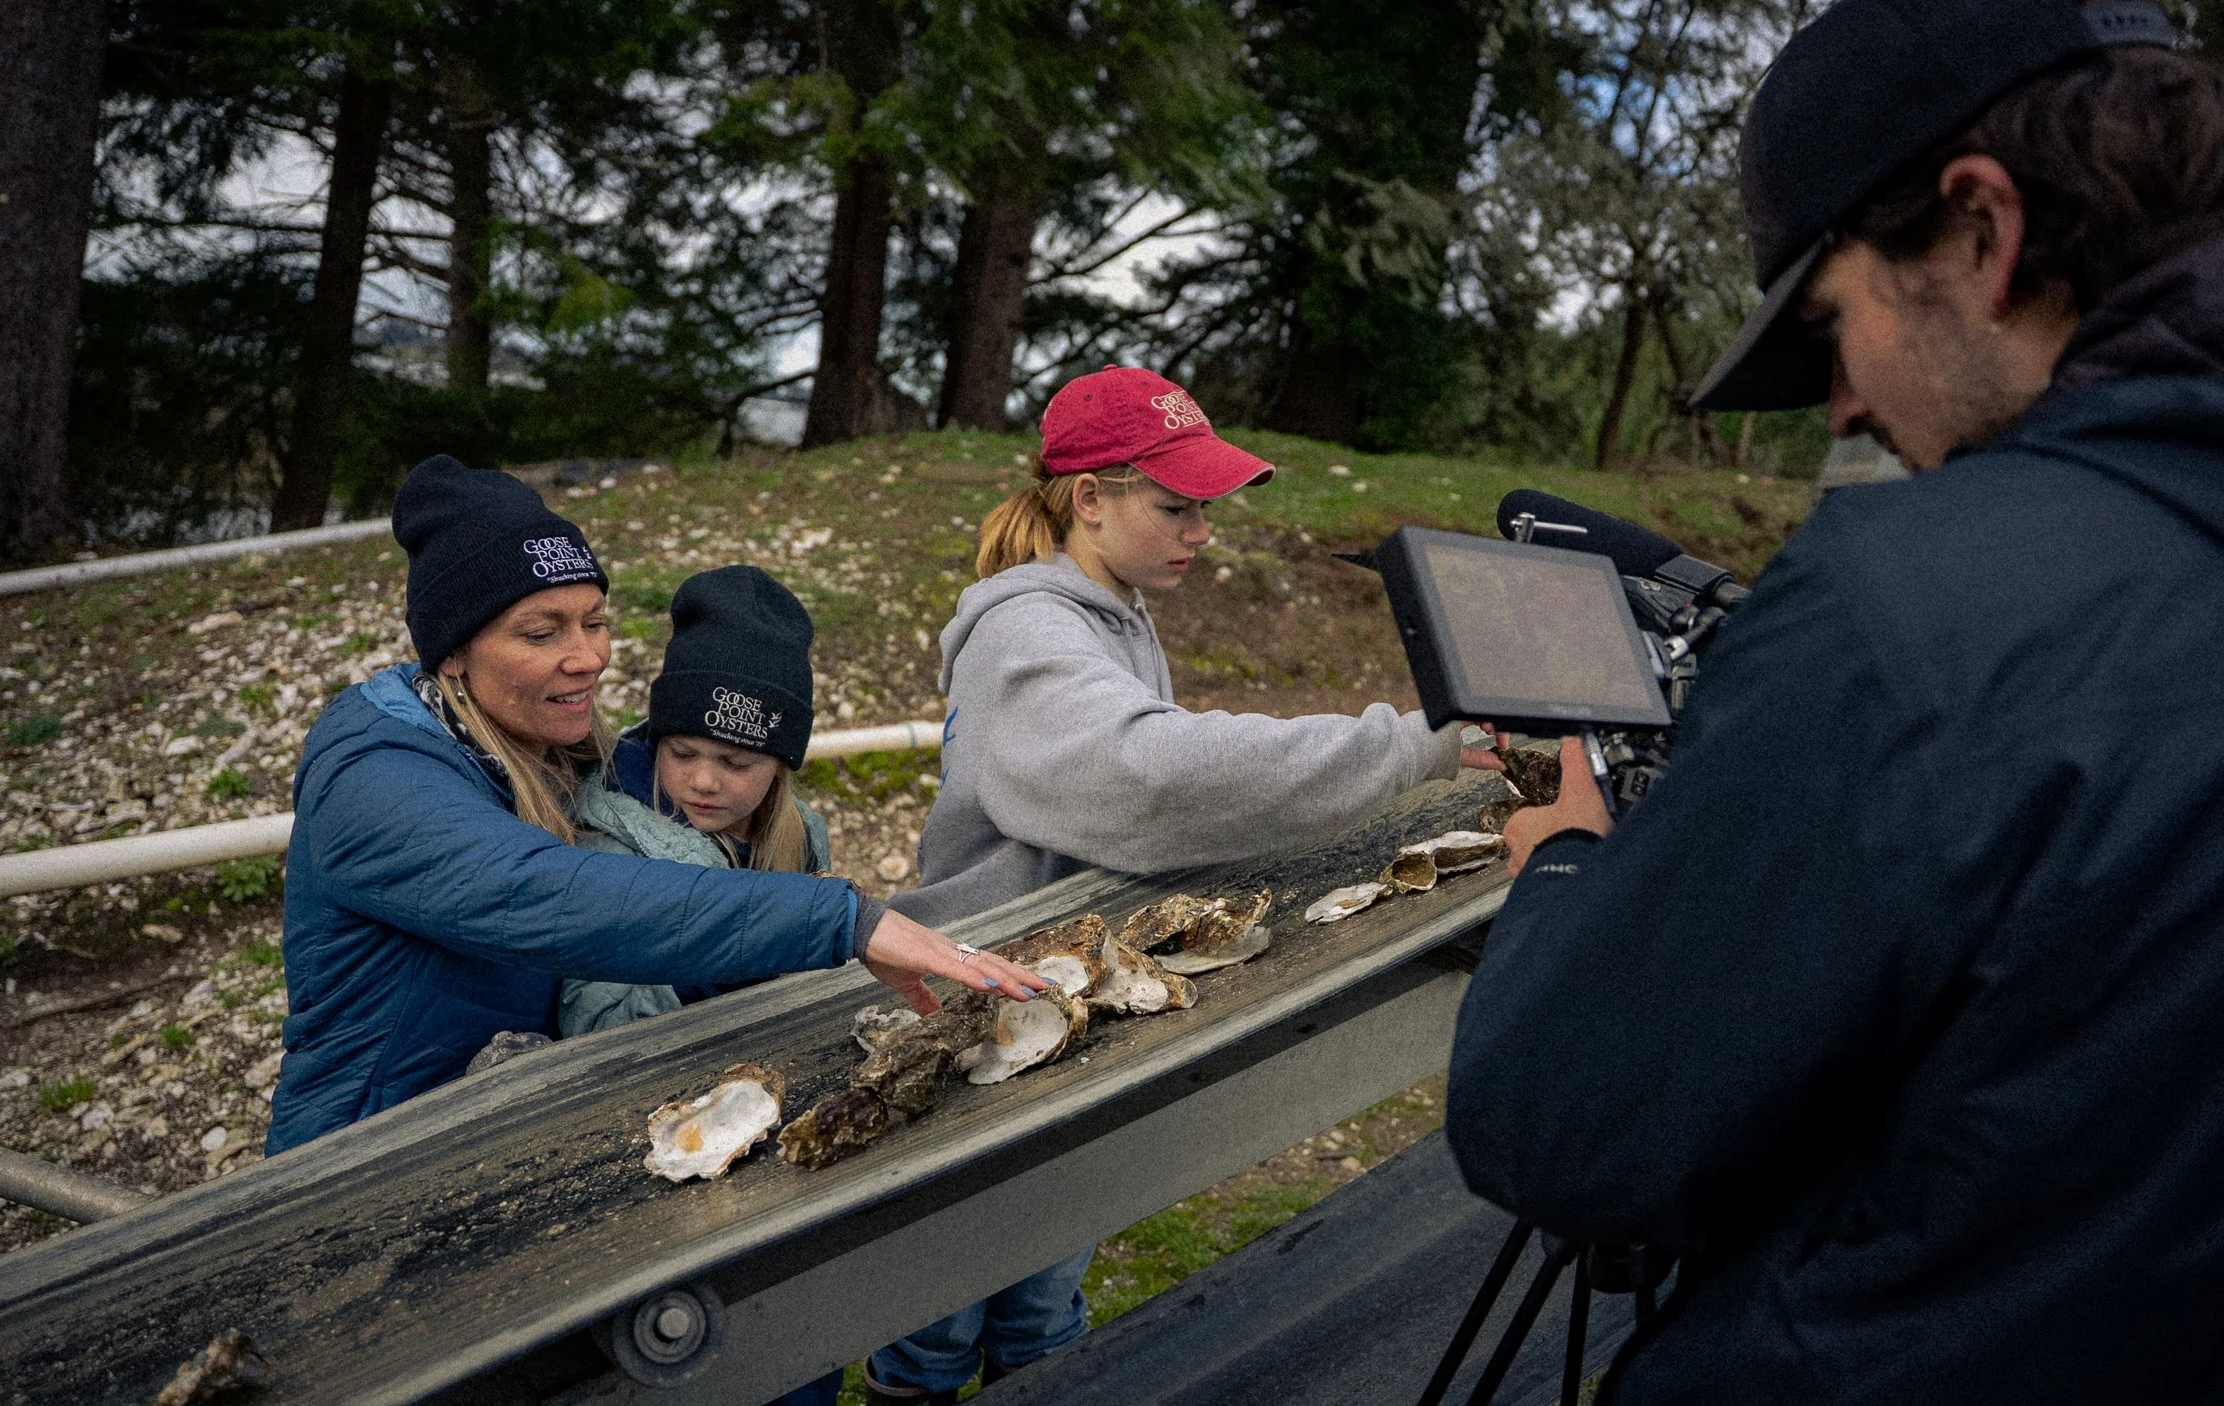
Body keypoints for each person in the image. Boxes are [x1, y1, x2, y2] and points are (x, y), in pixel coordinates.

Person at [1448, 1, 2224, 1401]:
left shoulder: (1915, 610)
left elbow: (1565, 1125)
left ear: (1979, 228)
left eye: (1831, 325)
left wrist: (1564, 858)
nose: (1840, 406)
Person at [865, 366, 1500, 1404]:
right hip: (981, 1004)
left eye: (1206, 506)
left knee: (1039, 1300)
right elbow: (1153, 779)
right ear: (1090, 498)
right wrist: (1404, 746)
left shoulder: (1111, 608)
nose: (1201, 531)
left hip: (1060, 995)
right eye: (1175, 506)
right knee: (939, 1317)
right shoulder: (1031, 633)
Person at [268, 456, 1044, 1155]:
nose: (588, 657)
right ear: (453, 651)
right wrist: (842, 920)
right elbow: (542, 894)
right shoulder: (373, 774)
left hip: (497, 1130)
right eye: (541, 632)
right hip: (358, 1161)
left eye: (594, 621)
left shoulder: (538, 739)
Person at [558, 564, 839, 1038]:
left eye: (736, 763)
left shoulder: (801, 835)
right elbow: (591, 1022)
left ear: (780, 766)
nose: (704, 782)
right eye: (683, 754)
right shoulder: (609, 852)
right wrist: (717, 967)